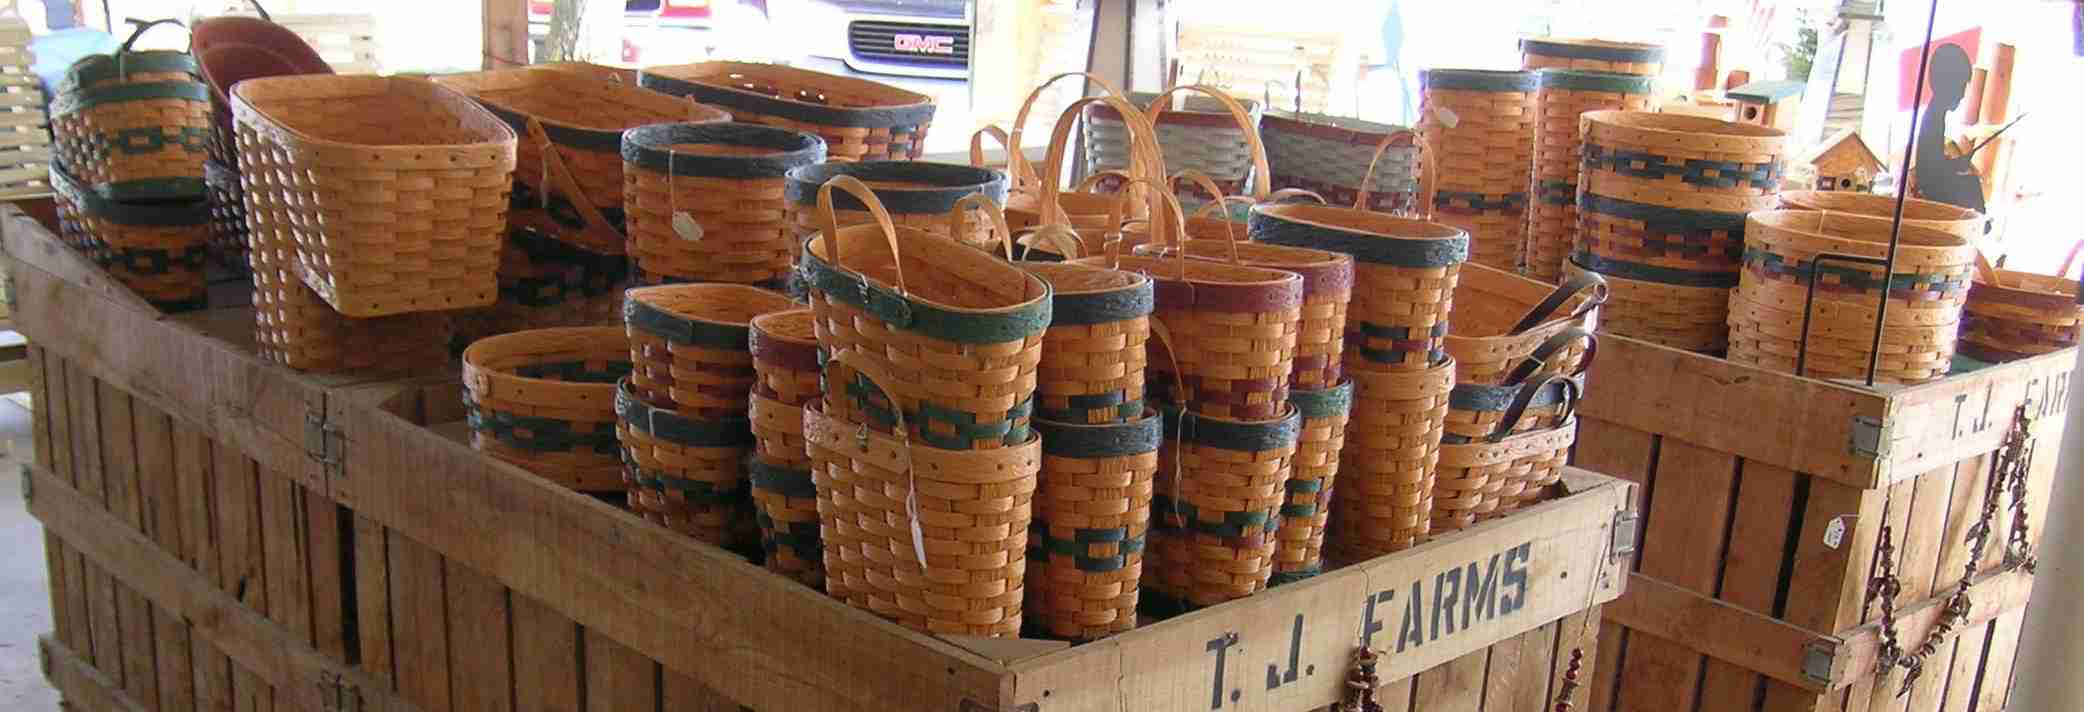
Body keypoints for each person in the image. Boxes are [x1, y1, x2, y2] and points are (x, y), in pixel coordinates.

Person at [1912, 43, 1987, 214]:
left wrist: (1954, 164)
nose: (1962, 95)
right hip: (1933, 189)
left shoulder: (1935, 114)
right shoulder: (1934, 118)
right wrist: (1955, 165)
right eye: (1961, 87)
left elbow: (1932, 164)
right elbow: (1929, 173)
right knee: (1972, 185)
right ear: (1949, 85)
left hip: (1933, 183)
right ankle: (1976, 228)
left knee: (1971, 184)